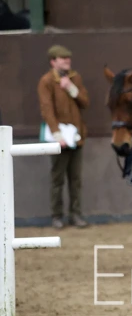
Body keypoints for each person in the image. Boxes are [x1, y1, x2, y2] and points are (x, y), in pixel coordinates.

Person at [38, 45, 90, 229]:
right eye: (62, 58)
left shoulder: (75, 78)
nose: (67, 61)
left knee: (75, 179)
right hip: (59, 140)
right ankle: (56, 216)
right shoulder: (46, 81)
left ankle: (75, 215)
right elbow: (47, 110)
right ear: (53, 61)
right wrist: (57, 135)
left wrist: (71, 88)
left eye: (68, 58)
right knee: (57, 179)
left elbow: (85, 102)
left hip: (76, 137)